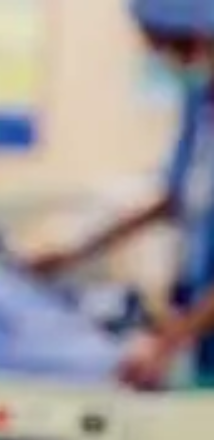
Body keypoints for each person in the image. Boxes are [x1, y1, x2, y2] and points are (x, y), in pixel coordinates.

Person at [29, 0, 214, 389]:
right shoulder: (200, 106)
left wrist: (172, 340)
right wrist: (74, 252)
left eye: (170, 45)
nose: (165, 60)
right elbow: (172, 200)